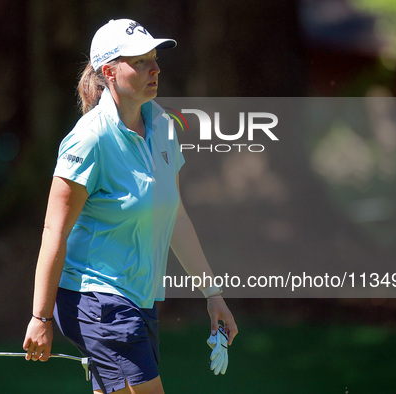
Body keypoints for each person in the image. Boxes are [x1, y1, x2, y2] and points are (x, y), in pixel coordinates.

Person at [22, 18, 238, 394]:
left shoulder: (163, 126)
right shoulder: (89, 139)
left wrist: (211, 294)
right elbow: (54, 230)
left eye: (154, 58)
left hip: (140, 301)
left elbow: (175, 215)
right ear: (109, 72)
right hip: (96, 300)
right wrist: (40, 316)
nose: (154, 68)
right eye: (139, 61)